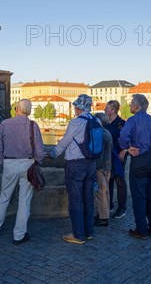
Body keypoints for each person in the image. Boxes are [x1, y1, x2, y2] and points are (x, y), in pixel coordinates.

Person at [0, 99, 44, 244]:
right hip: (28, 163)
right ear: (29, 111)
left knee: (4, 197)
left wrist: (4, 162)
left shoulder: (5, 124)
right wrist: (36, 162)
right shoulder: (33, 125)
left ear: (16, 109)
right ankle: (19, 235)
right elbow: (39, 151)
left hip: (9, 163)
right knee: (24, 201)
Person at [118, 94, 151, 240]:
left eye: (131, 104)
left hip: (139, 161)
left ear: (136, 106)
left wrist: (127, 147)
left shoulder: (132, 121)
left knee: (139, 196)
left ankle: (141, 230)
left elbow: (123, 137)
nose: (129, 106)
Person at [49, 94, 97, 245]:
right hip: (91, 164)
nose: (74, 109)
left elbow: (65, 142)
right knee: (88, 199)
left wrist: (53, 154)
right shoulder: (96, 120)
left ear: (79, 107)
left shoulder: (76, 123)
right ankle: (89, 232)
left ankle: (78, 235)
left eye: (76, 106)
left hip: (76, 165)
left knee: (75, 200)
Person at [105, 100, 127, 219]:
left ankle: (122, 208)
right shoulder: (105, 123)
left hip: (119, 157)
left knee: (120, 182)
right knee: (108, 182)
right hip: (108, 157)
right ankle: (109, 205)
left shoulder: (121, 123)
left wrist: (124, 150)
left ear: (113, 110)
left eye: (107, 108)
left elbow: (129, 138)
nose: (105, 110)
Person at [94, 113, 113, 227]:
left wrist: (97, 167)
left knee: (101, 192)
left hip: (101, 168)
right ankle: (104, 213)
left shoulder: (100, 134)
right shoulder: (108, 133)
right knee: (105, 192)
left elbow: (99, 154)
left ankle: (103, 218)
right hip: (108, 166)